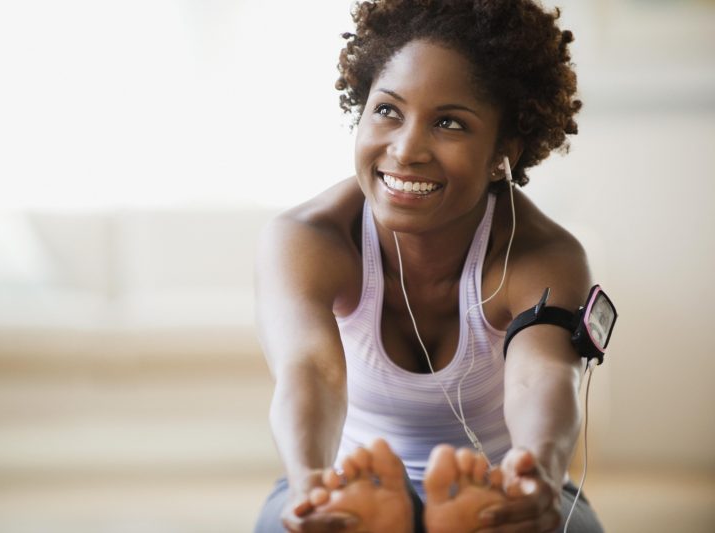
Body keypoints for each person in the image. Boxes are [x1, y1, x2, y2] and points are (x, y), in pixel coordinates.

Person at [254, 0, 604, 531]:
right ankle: (373, 511)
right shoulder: (308, 239)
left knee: (559, 523)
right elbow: (311, 372)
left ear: (502, 152)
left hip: (494, 479)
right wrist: (310, 482)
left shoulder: (542, 255)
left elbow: (544, 375)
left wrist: (538, 473)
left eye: (449, 123)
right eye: (388, 110)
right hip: (348, 477)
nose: (407, 148)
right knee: (290, 521)